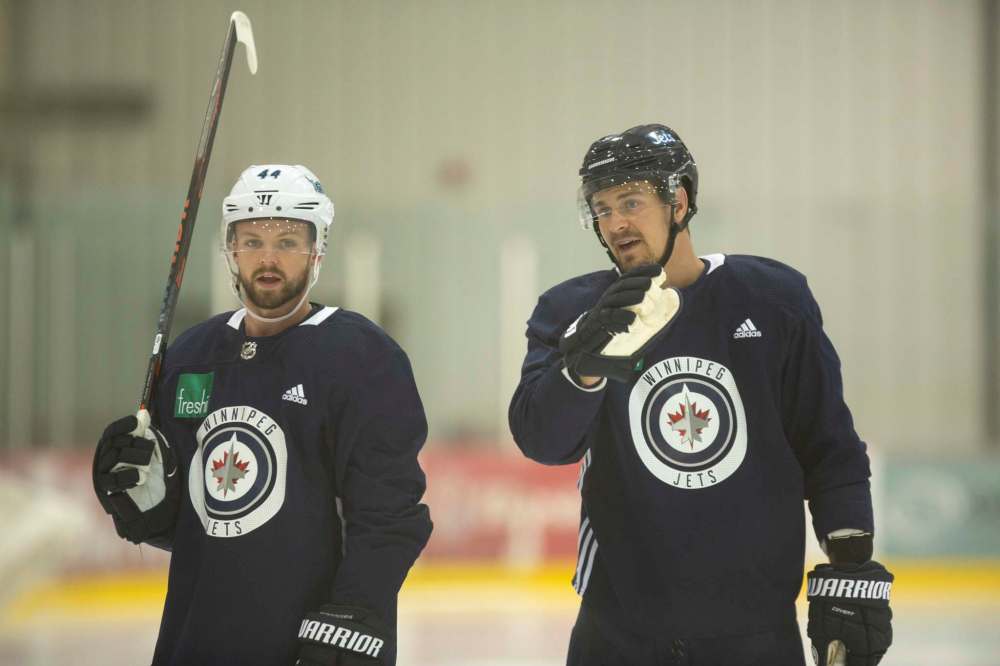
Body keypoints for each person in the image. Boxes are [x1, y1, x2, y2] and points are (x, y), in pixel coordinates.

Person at [508, 125, 893, 666]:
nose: (615, 222)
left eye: (631, 201)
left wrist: (851, 562)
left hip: (755, 631)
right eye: (602, 208)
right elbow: (542, 441)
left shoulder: (772, 299)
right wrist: (581, 371)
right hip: (619, 632)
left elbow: (828, 444)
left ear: (680, 202)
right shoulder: (572, 311)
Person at [93, 164, 432, 666]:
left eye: (288, 241)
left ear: (317, 251)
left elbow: (390, 513)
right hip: (197, 637)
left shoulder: (361, 357)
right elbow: (196, 523)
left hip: (315, 642)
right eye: (251, 241)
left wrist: (353, 613)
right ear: (229, 250)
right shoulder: (192, 355)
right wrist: (142, 501)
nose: (268, 258)